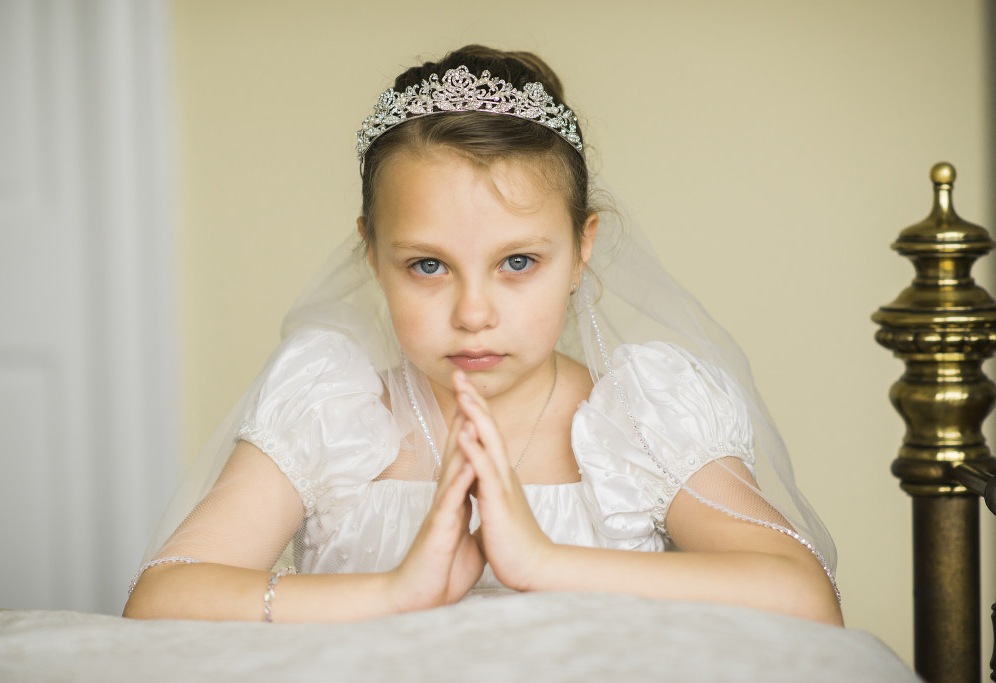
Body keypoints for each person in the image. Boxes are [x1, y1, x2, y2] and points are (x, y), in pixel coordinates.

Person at [123, 45, 843, 626]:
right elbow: (159, 600)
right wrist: (394, 591)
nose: (473, 312)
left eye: (518, 262)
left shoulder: (641, 417)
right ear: (372, 252)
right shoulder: (331, 413)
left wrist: (543, 561)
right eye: (428, 265)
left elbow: (807, 597)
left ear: (581, 248)